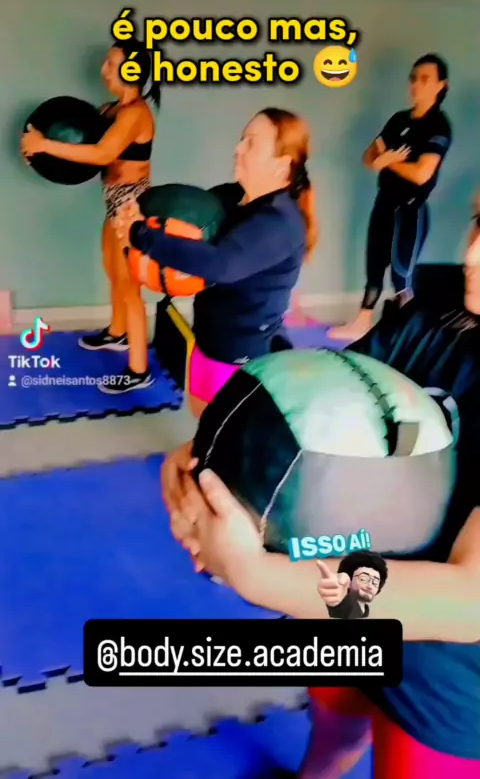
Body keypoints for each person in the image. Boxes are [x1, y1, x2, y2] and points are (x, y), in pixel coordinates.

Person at [161, 200, 480, 778]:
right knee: (333, 730)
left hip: (447, 683)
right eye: (479, 222)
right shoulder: (435, 316)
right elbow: (309, 404)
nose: (473, 255)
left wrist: (255, 574)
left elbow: (471, 600)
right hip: (337, 606)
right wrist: (193, 471)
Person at [115, 108, 318, 416]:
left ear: (282, 164)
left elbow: (221, 265)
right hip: (209, 335)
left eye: (251, 143)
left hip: (243, 352)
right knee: (201, 415)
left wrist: (139, 234)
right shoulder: (231, 196)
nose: (237, 148)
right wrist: (139, 213)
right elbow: (182, 217)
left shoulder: (280, 222)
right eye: (241, 139)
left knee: (225, 431)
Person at [21, 40, 160, 394]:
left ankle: (139, 370)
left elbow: (101, 154)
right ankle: (117, 332)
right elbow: (79, 148)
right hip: (114, 202)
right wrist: (40, 156)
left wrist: (43, 145)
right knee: (113, 272)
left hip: (132, 207)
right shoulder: (109, 111)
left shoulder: (135, 115)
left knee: (129, 287)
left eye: (110, 64)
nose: (103, 70)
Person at [330, 53, 452, 343]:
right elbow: (368, 157)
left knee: (401, 276)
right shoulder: (398, 120)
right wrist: (382, 160)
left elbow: (422, 173)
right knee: (374, 266)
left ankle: (408, 336)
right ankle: (362, 321)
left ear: (440, 85)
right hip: (384, 201)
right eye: (413, 78)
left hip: (410, 209)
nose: (416, 84)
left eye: (425, 79)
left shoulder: (438, 126)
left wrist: (387, 162)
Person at [318, 552, 388, 620]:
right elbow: (340, 608)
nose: (370, 586)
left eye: (375, 582)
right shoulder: (346, 606)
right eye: (363, 579)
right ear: (349, 580)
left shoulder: (364, 610)